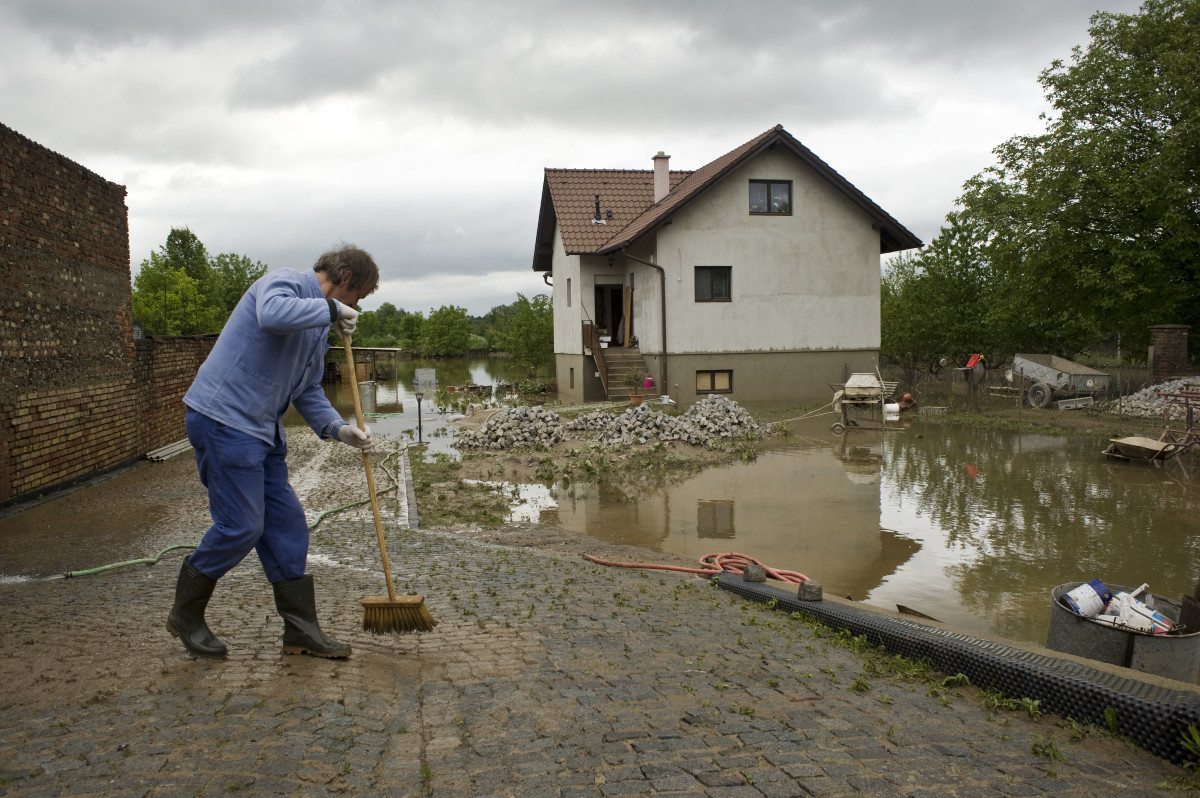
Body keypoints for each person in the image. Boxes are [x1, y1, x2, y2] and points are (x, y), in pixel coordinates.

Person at [167, 244, 379, 659]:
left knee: (287, 524)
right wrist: (332, 312)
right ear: (347, 280)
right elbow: (273, 315)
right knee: (241, 525)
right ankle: (185, 614)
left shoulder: (317, 329)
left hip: (262, 433)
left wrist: (339, 428)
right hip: (223, 420)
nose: (357, 307)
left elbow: (308, 389)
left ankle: (300, 631)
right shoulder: (283, 282)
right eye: (359, 297)